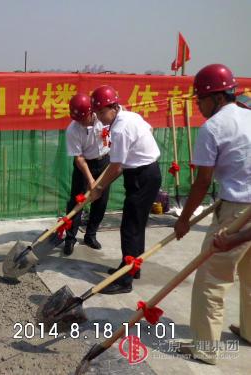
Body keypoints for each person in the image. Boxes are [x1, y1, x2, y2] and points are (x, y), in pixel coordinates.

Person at [173, 64, 251, 364]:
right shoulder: (248, 115)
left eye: (200, 99)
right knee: (249, 275)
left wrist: (183, 219)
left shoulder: (213, 127)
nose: (198, 105)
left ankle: (204, 347)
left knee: (211, 280)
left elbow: (202, 181)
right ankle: (249, 331)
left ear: (217, 97)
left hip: (235, 211)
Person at [88, 85, 162, 294]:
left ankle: (125, 281)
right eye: (98, 113)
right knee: (136, 225)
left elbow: (116, 166)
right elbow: (150, 130)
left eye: (103, 112)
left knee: (130, 227)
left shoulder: (120, 128)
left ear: (113, 107)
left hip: (142, 176)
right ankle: (130, 268)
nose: (100, 117)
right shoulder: (131, 116)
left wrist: (99, 187)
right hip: (146, 172)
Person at [62, 93, 110, 255]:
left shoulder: (103, 118)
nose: (81, 122)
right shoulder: (73, 130)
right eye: (78, 119)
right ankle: (70, 239)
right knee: (78, 201)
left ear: (91, 112)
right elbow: (79, 158)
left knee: (101, 200)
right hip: (84, 165)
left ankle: (91, 235)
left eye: (83, 118)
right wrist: (90, 180)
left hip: (104, 161)